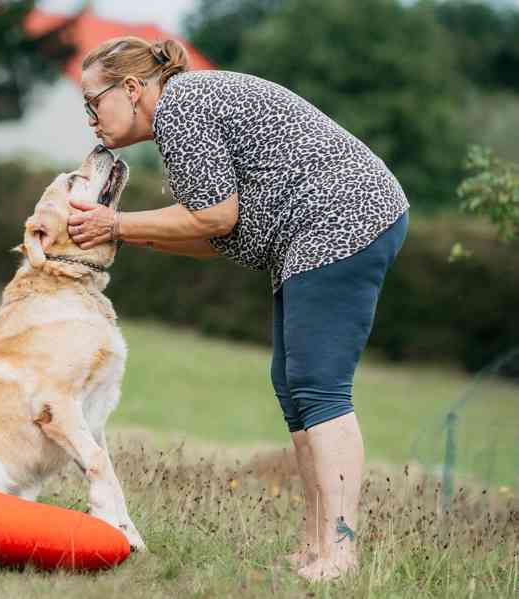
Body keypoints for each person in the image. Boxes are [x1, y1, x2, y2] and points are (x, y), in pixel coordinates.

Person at [58, 36, 409, 581]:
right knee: (293, 384)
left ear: (130, 88)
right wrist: (122, 233)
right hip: (311, 234)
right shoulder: (182, 116)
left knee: (319, 385)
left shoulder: (182, 108)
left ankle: (339, 555)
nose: (90, 119)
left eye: (92, 102)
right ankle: (316, 548)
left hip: (343, 221)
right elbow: (212, 234)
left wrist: (119, 224)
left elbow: (216, 218)